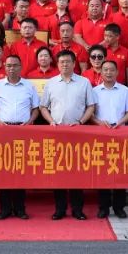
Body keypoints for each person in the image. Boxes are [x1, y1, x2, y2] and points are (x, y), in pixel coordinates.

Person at [40, 50, 95, 220]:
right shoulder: (51, 83)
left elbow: (91, 106)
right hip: (57, 133)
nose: (64, 64)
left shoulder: (84, 82)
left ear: (74, 63)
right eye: (61, 62)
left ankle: (77, 209)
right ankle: (60, 209)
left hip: (77, 133)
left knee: (77, 172)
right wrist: (51, 121)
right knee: (58, 173)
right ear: (57, 64)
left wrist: (81, 122)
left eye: (68, 61)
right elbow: (43, 107)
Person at [0, 55, 40, 219]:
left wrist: (30, 122)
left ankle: (20, 209)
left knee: (20, 171)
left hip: (23, 131)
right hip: (4, 131)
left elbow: (36, 108)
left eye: (15, 65)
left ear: (21, 67)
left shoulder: (29, 86)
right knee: (4, 170)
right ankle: (4, 209)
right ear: (5, 67)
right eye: (9, 65)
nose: (11, 68)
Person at [91, 59, 128, 218]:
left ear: (117, 72)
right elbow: (91, 114)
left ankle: (119, 207)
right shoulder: (94, 91)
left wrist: (120, 122)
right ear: (101, 72)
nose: (108, 73)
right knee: (103, 172)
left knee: (120, 171)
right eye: (105, 70)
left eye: (111, 70)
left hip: (120, 133)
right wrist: (99, 122)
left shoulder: (125, 90)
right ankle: (103, 207)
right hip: (101, 134)